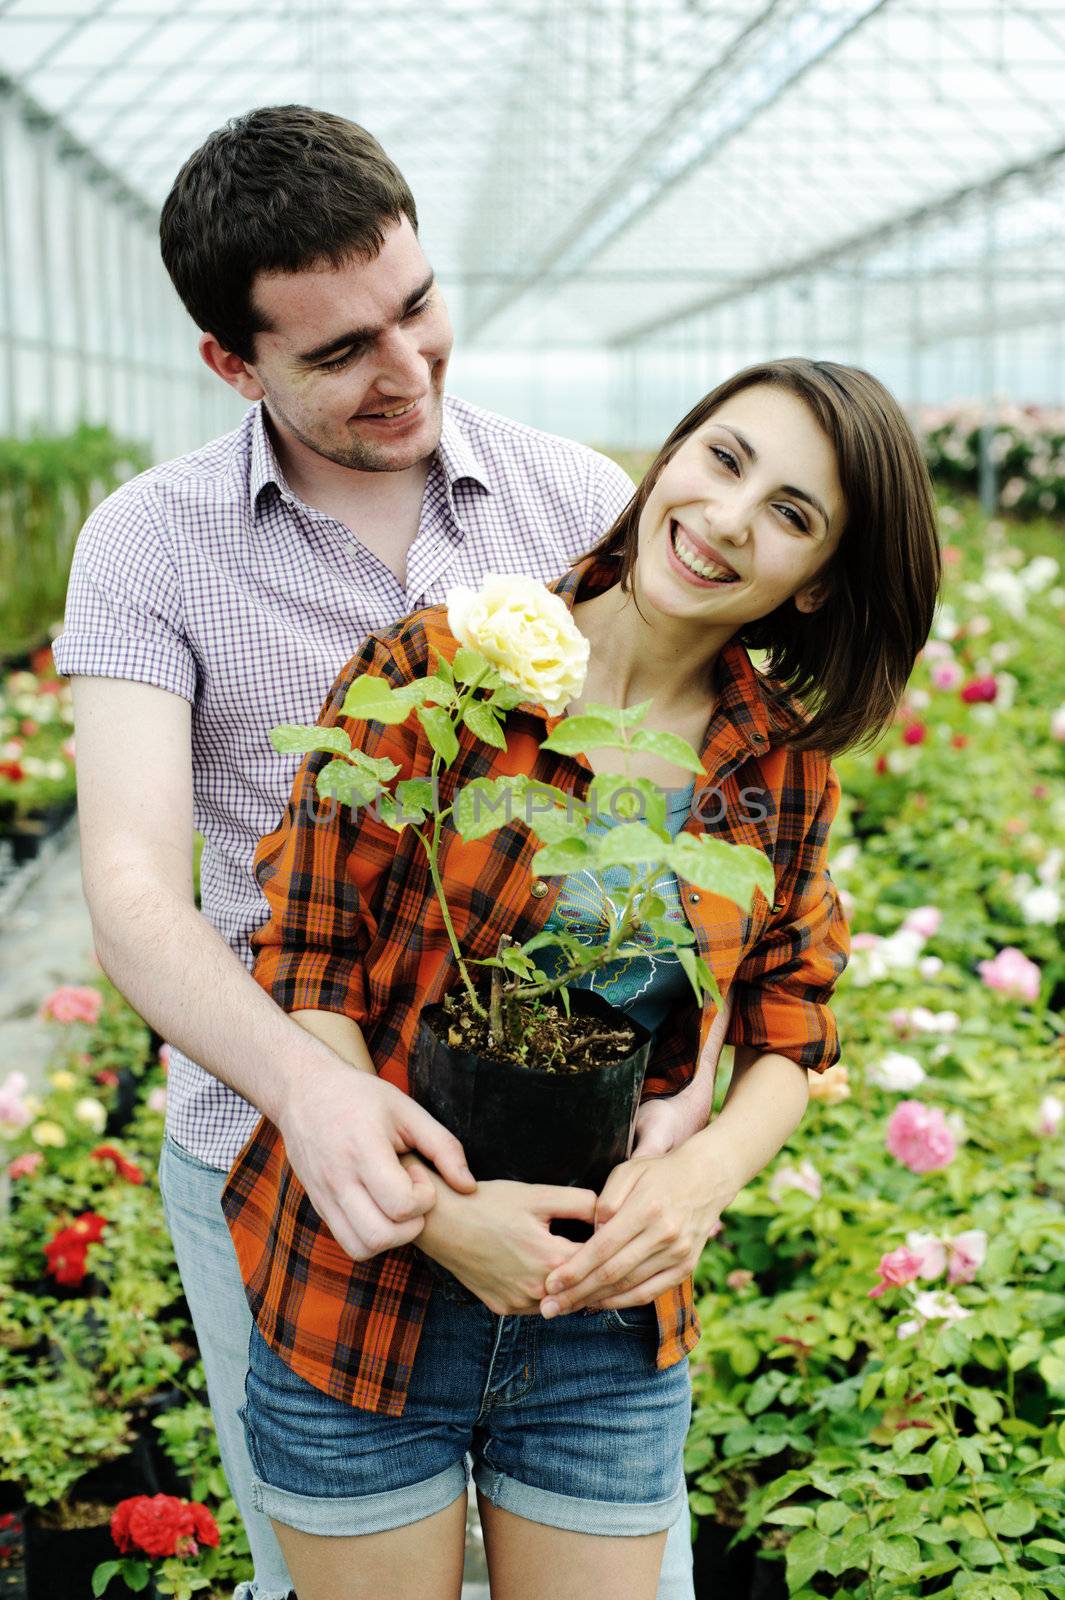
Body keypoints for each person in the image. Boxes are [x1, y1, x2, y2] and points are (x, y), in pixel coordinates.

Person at [53, 104, 710, 1600]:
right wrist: (317, 1094)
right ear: (234, 364)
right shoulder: (152, 544)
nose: (403, 371)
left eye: (415, 308)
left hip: (559, 1174)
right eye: (336, 352)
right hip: (279, 1174)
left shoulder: (579, 510)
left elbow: (670, 837)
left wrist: (695, 1105)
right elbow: (139, 891)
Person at [222, 358, 941, 1600]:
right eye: (724, 459)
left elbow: (796, 1023)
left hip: (603, 1322)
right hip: (369, 1288)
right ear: (671, 456)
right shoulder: (451, 667)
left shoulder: (778, 773)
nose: (726, 517)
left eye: (791, 513)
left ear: (816, 581)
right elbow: (308, 961)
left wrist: (702, 1177)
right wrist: (440, 1217)